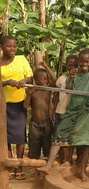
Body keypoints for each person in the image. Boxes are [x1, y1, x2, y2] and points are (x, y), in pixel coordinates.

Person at [37, 48, 89, 181]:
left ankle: (82, 171)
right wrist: (71, 78)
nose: (84, 64)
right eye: (81, 61)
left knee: (85, 142)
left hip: (88, 112)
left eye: (87, 61)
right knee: (59, 133)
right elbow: (67, 89)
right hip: (72, 109)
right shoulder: (75, 74)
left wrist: (88, 49)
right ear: (78, 62)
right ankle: (49, 165)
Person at [0, 36, 33, 180]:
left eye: (14, 46)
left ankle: (19, 166)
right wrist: (7, 82)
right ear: (1, 47)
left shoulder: (21, 59)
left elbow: (30, 78)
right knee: (5, 137)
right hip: (3, 105)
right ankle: (9, 165)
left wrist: (22, 81)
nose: (12, 49)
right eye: (9, 46)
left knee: (20, 136)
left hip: (19, 104)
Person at [23, 62, 56, 176]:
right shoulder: (33, 91)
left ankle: (46, 168)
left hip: (47, 123)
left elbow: (55, 80)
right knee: (34, 146)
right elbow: (25, 106)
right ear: (36, 80)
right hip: (35, 124)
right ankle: (35, 170)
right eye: (43, 79)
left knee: (47, 146)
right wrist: (28, 94)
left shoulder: (47, 89)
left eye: (46, 79)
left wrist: (46, 66)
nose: (46, 81)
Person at [52, 55, 79, 166]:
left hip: (73, 111)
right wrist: (53, 110)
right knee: (60, 135)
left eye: (75, 65)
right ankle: (63, 158)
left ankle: (69, 158)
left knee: (71, 136)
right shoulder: (61, 79)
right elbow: (56, 95)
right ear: (66, 65)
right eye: (70, 64)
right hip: (60, 110)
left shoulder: (80, 78)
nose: (72, 67)